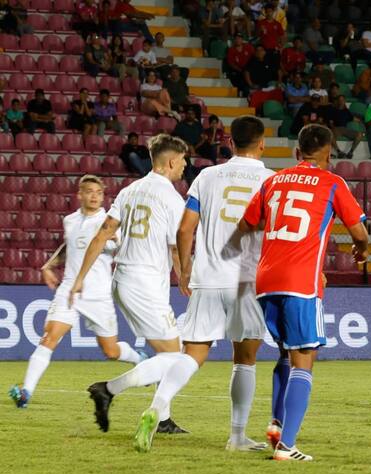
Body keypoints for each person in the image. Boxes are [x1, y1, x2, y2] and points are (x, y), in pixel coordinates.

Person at [130, 117, 275, 453]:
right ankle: (237, 437)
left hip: (207, 278)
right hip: (247, 281)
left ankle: (157, 406)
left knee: (193, 353)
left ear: (230, 142)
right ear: (262, 143)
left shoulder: (207, 176)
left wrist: (184, 268)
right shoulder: (270, 180)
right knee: (245, 359)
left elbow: (185, 229)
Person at [237, 124, 369, 460]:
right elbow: (360, 231)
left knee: (286, 353)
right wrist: (361, 251)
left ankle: (277, 423)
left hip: (265, 280)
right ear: (328, 152)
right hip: (301, 281)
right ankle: (287, 445)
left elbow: (246, 224)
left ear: (297, 152)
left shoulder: (273, 181)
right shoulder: (332, 182)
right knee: (305, 359)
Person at [72, 135, 190, 436]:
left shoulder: (129, 190)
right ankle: (108, 389)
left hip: (123, 278)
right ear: (172, 161)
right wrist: (184, 277)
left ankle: (162, 419)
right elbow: (175, 247)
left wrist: (80, 277)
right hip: (145, 281)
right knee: (177, 358)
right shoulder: (172, 199)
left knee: (170, 353)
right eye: (183, 160)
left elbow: (102, 234)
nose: (186, 165)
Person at [8, 175, 147, 408]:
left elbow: (122, 250)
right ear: (79, 195)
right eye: (89, 191)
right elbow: (70, 246)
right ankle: (26, 393)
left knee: (111, 350)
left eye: (98, 192)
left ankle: (138, 358)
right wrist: (49, 264)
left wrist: (116, 242)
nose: (94, 196)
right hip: (70, 290)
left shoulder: (109, 222)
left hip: (98, 295)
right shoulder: (70, 221)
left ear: (103, 196)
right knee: (49, 337)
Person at [327, 94, 362, 158]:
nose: (341, 102)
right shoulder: (333, 110)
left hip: (345, 129)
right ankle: (339, 152)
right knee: (329, 134)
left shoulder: (346, 111)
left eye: (342, 100)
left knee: (359, 134)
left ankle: (351, 152)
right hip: (336, 128)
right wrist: (333, 128)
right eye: (340, 100)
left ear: (344, 101)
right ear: (337, 101)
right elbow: (330, 122)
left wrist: (361, 121)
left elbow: (354, 119)